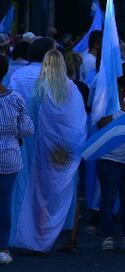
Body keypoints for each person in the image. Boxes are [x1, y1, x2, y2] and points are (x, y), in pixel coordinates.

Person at [10, 50, 87, 253]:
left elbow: (31, 119)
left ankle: (37, 235)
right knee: (60, 192)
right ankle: (61, 234)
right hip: (65, 151)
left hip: (42, 149)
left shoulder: (39, 88)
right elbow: (79, 123)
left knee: (39, 191)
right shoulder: (71, 88)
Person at [94, 75, 125, 253]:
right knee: (108, 198)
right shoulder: (106, 104)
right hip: (110, 161)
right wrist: (112, 110)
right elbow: (100, 124)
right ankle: (107, 236)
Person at [0, 55, 34, 264]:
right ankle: (3, 248)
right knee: (4, 203)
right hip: (9, 154)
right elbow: (27, 129)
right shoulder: (15, 99)